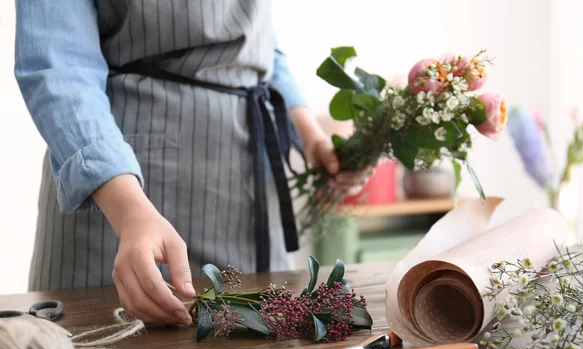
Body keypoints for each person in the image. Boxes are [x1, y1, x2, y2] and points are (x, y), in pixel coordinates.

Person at [14, 0, 371, 326]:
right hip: (122, 198)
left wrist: (312, 139)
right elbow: (58, 62)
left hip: (250, 189)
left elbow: (259, 48)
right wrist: (130, 212)